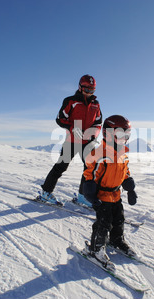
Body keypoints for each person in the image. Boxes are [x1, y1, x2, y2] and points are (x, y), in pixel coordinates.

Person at [82, 115, 138, 267]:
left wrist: (130, 189)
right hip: (102, 196)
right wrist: (90, 193)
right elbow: (90, 173)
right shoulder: (98, 153)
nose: (124, 139)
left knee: (119, 220)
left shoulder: (123, 154)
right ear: (108, 134)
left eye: (126, 136)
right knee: (103, 223)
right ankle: (96, 249)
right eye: (120, 135)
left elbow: (125, 172)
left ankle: (116, 240)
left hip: (116, 195)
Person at [40, 75, 102, 206]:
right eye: (87, 90)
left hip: (88, 142)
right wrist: (73, 128)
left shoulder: (96, 104)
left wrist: (93, 134)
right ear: (80, 87)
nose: (89, 93)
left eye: (92, 90)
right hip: (72, 141)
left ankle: (83, 197)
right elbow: (60, 119)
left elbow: (98, 122)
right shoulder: (70, 101)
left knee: (90, 169)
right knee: (61, 166)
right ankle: (46, 192)